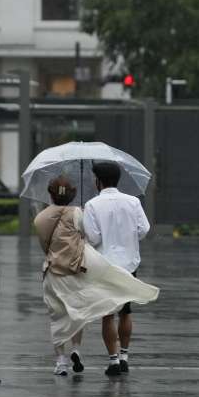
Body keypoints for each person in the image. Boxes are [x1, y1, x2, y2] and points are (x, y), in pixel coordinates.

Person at [34, 175, 158, 376]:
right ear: (72, 194)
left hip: (52, 271)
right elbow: (89, 236)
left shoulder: (39, 218)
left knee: (57, 316)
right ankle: (83, 350)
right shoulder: (78, 212)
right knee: (79, 313)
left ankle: (61, 362)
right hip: (77, 269)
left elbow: (44, 246)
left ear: (50, 193)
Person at [83, 161, 150, 376]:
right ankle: (124, 356)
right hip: (129, 264)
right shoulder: (133, 202)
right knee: (126, 311)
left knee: (107, 315)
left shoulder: (92, 205)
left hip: (105, 266)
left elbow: (93, 238)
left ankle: (113, 361)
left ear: (98, 181)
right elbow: (143, 230)